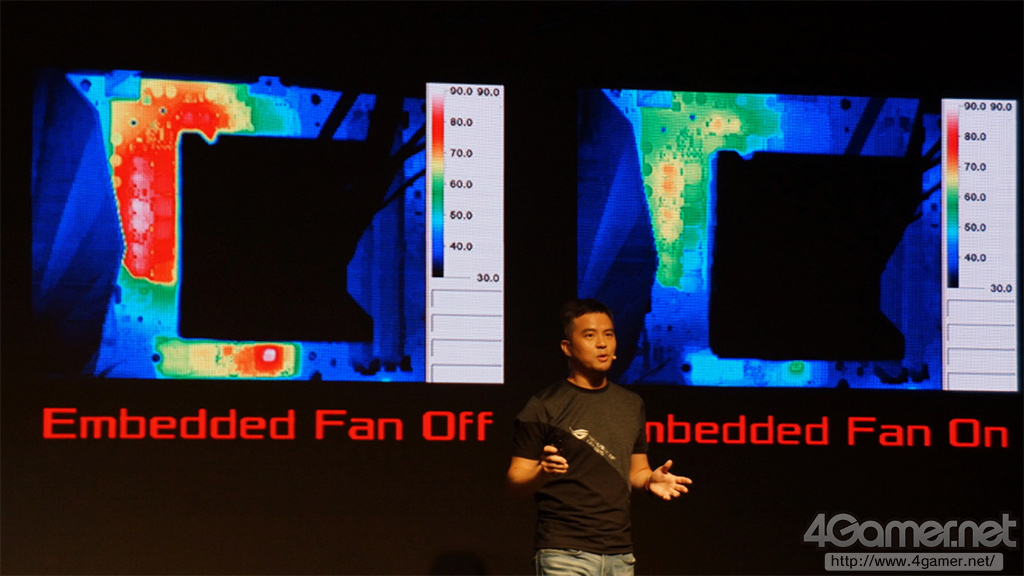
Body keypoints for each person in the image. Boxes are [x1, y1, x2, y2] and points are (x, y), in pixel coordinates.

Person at [507, 298, 693, 576]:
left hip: (620, 556)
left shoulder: (631, 404)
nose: (602, 344)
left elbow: (636, 471)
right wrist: (542, 472)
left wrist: (649, 481)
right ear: (567, 347)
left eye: (608, 334)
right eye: (590, 335)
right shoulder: (544, 405)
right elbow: (516, 480)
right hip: (565, 554)